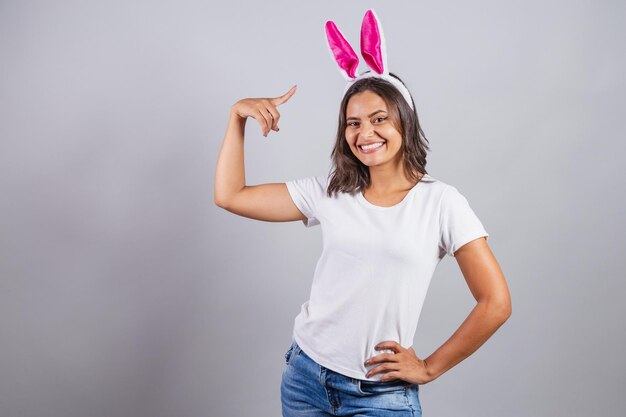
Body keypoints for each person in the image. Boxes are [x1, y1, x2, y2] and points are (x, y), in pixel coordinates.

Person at [214, 9, 511, 417]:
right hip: (305, 378)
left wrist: (428, 367)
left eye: (378, 119)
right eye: (353, 123)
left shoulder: (441, 203)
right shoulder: (331, 191)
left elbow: (495, 302)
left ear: (404, 122)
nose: (364, 133)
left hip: (380, 396)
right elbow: (230, 195)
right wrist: (237, 117)